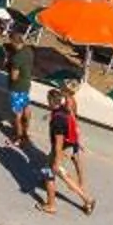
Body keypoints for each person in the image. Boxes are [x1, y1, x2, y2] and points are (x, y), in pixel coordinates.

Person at [38, 83, 93, 214]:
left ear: (51, 101)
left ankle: (52, 205)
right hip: (68, 145)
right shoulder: (63, 108)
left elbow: (58, 143)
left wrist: (57, 160)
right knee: (57, 173)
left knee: (50, 172)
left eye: (47, 100)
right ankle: (86, 198)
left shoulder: (58, 121)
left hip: (61, 148)